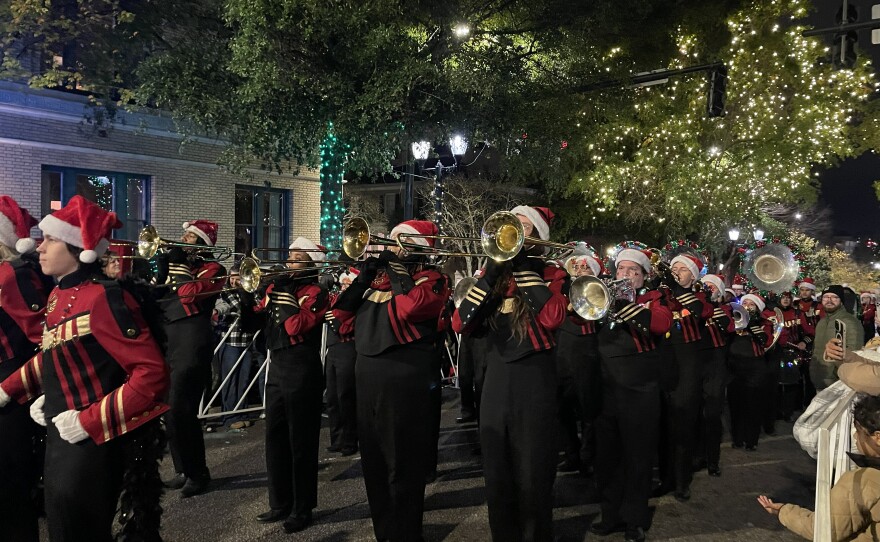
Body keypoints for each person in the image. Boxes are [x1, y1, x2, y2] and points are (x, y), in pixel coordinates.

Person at [0, 195, 170, 542]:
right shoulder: (58, 295)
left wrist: (87, 420)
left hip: (90, 441)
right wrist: (11, 390)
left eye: (51, 239)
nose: (39, 246)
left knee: (80, 531)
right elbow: (52, 354)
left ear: (80, 249)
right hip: (59, 436)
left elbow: (152, 374)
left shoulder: (104, 297)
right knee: (61, 526)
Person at [453, 205, 567, 542]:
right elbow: (461, 324)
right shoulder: (495, 282)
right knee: (497, 474)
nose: (514, 232)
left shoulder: (551, 275)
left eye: (523, 227)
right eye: (510, 226)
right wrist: (489, 276)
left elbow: (552, 318)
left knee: (532, 474)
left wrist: (522, 270)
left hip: (534, 379)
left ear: (538, 238)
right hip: (496, 382)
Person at [333, 219, 449, 542]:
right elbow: (340, 317)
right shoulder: (376, 283)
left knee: (403, 465)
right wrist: (366, 275)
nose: (390, 246)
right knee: (374, 465)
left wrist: (396, 269)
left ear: (417, 249)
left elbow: (412, 308)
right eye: (392, 241)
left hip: (403, 379)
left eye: (400, 241)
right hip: (367, 380)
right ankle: (385, 534)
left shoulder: (432, 279)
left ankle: (408, 535)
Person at [589, 243, 672, 542]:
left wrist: (627, 305)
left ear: (643, 276)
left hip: (640, 388)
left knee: (638, 456)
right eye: (621, 269)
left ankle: (634, 519)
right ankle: (610, 515)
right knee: (607, 456)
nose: (625, 274)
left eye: (632, 271)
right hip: (607, 385)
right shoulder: (601, 294)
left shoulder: (654, 298)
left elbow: (662, 324)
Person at [252, 237, 329, 533]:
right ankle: (279, 502)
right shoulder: (277, 287)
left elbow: (295, 326)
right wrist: (250, 298)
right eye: (290, 255)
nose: (289, 261)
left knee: (301, 441)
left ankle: (302, 506)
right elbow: (258, 322)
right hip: (278, 367)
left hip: (302, 368)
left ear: (310, 263)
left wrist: (281, 294)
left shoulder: (316, 292)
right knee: (275, 438)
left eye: (296, 257)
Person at [159, 219, 225, 497]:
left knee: (182, 407)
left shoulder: (215, 269)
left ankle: (199, 472)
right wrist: (162, 268)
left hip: (193, 339)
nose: (182, 239)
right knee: (169, 410)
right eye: (183, 234)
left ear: (201, 242)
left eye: (188, 236)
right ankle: (182, 469)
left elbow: (188, 296)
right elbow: (160, 296)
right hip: (170, 337)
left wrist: (177, 266)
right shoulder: (183, 266)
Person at [757, 393, 880, 540]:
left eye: (859, 432)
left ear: (877, 437)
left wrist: (784, 511)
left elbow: (824, 529)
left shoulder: (863, 480)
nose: (854, 437)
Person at [0, 196, 52, 542]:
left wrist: (13, 388)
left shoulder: (12, 275)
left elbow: (46, 340)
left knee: (11, 491)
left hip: (10, 391)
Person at [655, 252, 712, 501]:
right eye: (674, 266)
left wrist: (675, 285)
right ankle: (665, 477)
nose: (676, 270)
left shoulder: (700, 296)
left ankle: (681, 480)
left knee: (683, 423)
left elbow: (701, 311)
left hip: (687, 362)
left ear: (693, 275)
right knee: (663, 423)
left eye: (682, 268)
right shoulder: (660, 295)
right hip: (661, 360)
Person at [556, 242, 603, 474]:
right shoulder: (562, 287)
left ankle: (587, 455)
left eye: (586, 267)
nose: (581, 269)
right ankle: (571, 453)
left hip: (588, 351)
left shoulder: (599, 288)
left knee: (589, 408)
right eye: (577, 266)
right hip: (562, 351)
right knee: (562, 406)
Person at [695, 274, 733, 477]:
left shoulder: (724, 310)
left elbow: (730, 327)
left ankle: (712, 460)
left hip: (715, 365)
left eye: (711, 287)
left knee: (712, 415)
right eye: (705, 285)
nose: (707, 289)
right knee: (696, 413)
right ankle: (698, 455)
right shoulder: (696, 306)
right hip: (696, 362)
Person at [727, 293, 775, 451]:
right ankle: (737, 438)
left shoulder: (763, 323)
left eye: (751, 304)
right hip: (735, 366)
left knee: (753, 404)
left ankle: (751, 440)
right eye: (744, 302)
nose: (746, 306)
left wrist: (752, 325)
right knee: (736, 404)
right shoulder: (734, 319)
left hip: (755, 367)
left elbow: (766, 341)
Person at [214, 262, 257, 430]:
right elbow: (235, 309)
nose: (235, 281)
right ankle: (230, 416)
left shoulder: (248, 292)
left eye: (238, 278)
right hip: (229, 341)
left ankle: (242, 412)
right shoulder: (225, 292)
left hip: (245, 341)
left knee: (244, 379)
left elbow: (255, 307)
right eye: (233, 277)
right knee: (230, 380)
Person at [324, 270, 359, 455]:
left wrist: (335, 322)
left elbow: (348, 325)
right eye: (342, 283)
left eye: (347, 284)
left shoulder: (354, 302)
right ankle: (337, 438)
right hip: (333, 348)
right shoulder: (337, 298)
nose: (343, 286)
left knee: (346, 395)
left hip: (347, 347)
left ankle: (350, 440)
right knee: (332, 397)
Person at [810, 285, 864, 391]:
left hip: (839, 384)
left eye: (834, 297)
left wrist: (838, 373)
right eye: (826, 297)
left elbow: (855, 353)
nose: (829, 300)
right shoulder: (821, 322)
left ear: (841, 301)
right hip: (819, 379)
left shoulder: (850, 322)